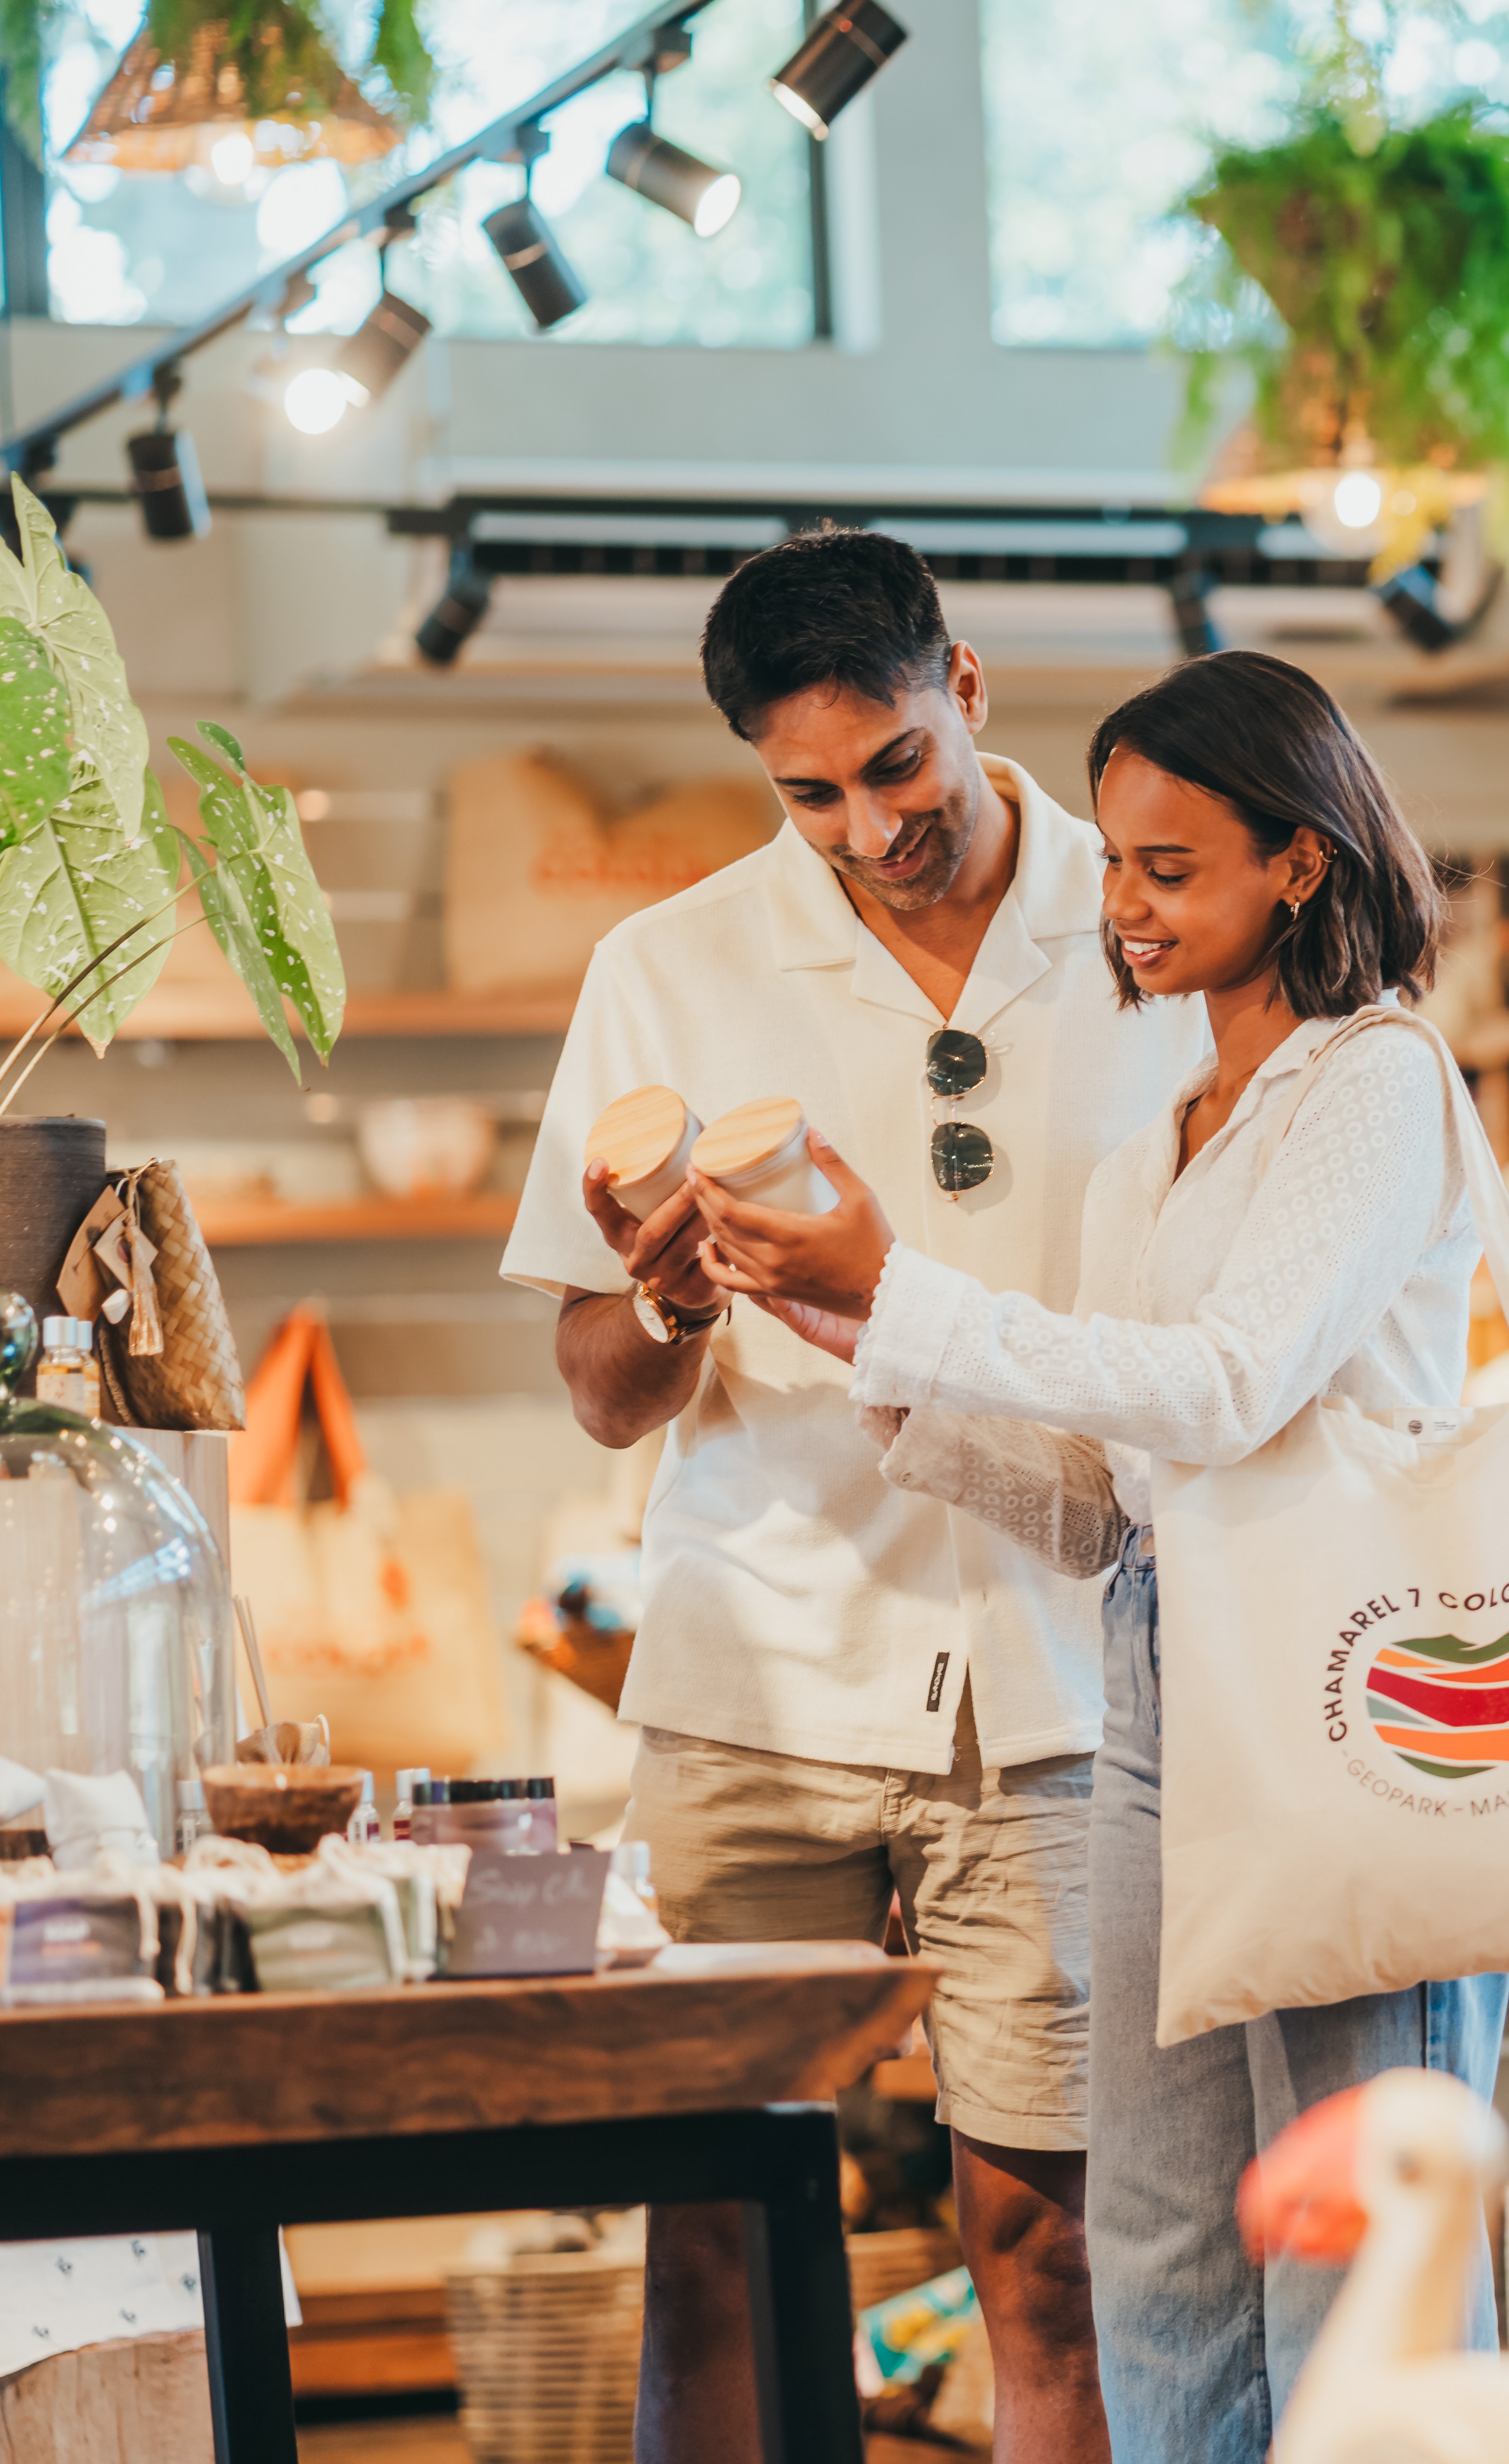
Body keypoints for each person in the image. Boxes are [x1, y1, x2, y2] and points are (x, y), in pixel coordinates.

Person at [691, 648, 1509, 2464]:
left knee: (1363, 2228)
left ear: (1300, 861)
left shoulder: (1375, 1084)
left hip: (1360, 1676)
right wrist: (863, 1338)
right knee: (1159, 2236)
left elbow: (1221, 1390)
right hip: (1163, 1672)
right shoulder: (1161, 1145)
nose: (1123, 909)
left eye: (1168, 867)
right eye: (1120, 866)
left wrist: (909, 1294)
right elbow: (1108, 1491)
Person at [498, 526, 1197, 2464]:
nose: (867, 823)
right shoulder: (670, 964)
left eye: (895, 765)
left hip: (1068, 1679)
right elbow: (596, 1390)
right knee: (714, 2233)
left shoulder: (1151, 930)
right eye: (808, 792)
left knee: (1045, 2244)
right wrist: (667, 1291)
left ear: (962, 688)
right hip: (756, 1664)